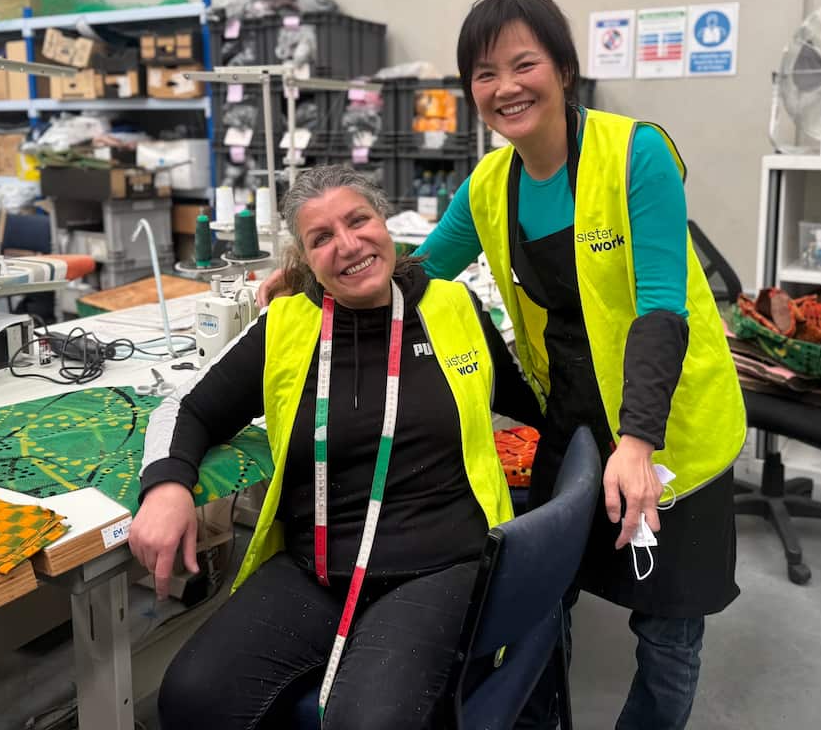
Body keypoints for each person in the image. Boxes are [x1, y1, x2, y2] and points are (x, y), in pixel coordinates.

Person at [261, 0, 747, 729]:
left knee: (668, 626)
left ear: (563, 69)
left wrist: (639, 442)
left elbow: (659, 309)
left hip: (670, 419)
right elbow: (420, 270)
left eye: (524, 64)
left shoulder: (634, 155)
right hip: (573, 415)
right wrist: (309, 273)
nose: (505, 87)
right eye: (484, 74)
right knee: (543, 601)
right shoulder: (493, 182)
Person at [131, 164, 538, 730]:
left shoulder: (455, 308)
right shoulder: (286, 327)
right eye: (322, 238)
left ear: (384, 222)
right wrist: (168, 487)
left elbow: (534, 407)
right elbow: (187, 407)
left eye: (359, 220)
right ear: (304, 258)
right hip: (319, 567)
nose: (348, 245)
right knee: (192, 698)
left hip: (438, 565)